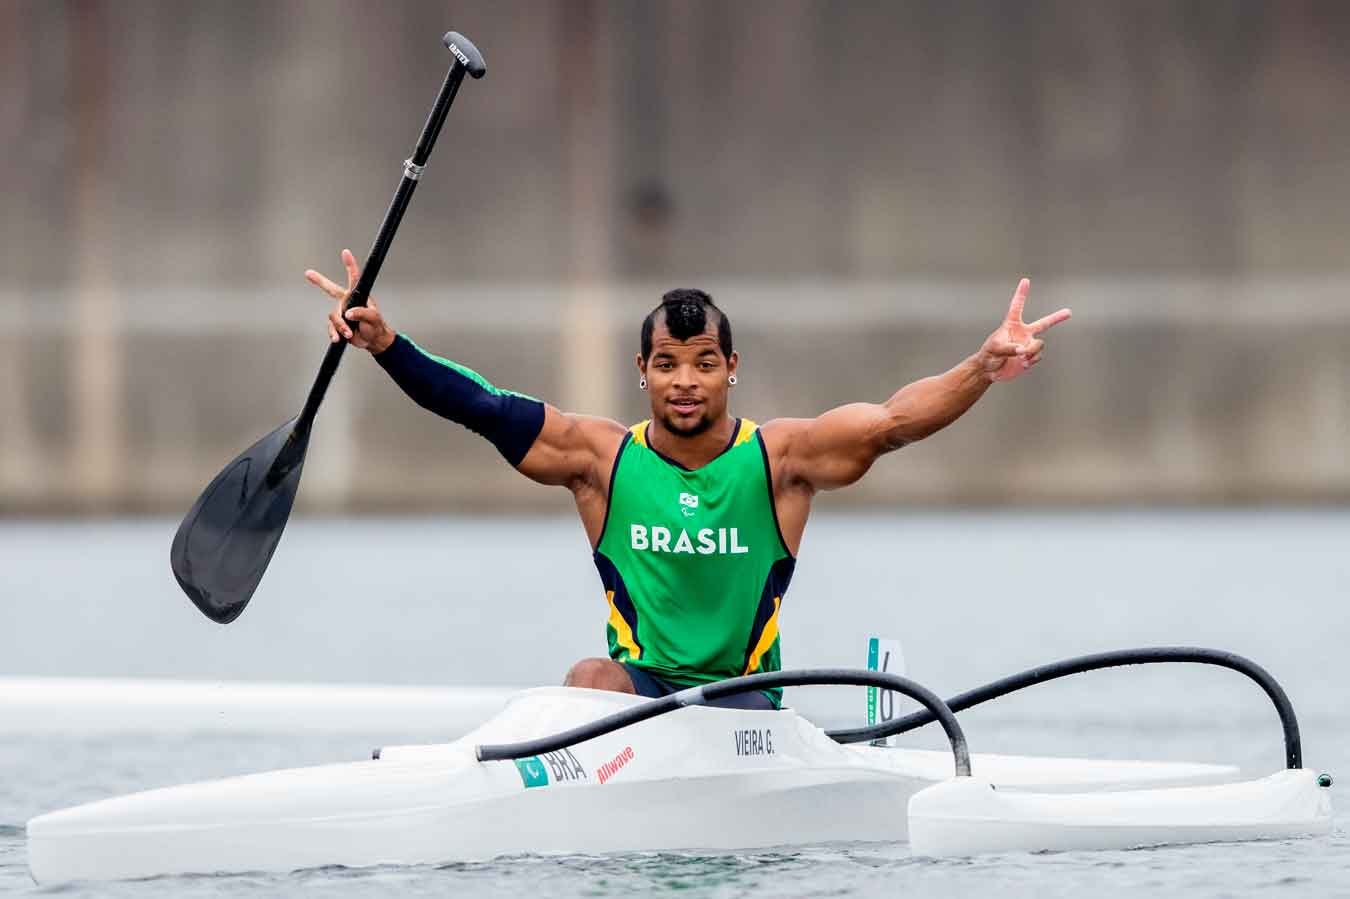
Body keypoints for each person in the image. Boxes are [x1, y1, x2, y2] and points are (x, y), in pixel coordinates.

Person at [306, 250, 1070, 710]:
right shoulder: (601, 460)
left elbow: (894, 420)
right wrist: (389, 344)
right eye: (667, 364)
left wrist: (981, 365)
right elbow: (482, 406)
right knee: (586, 677)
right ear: (641, 371)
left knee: (621, 692)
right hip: (639, 696)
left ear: (731, 369)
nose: (686, 382)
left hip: (743, 703)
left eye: (704, 363)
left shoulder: (782, 460)